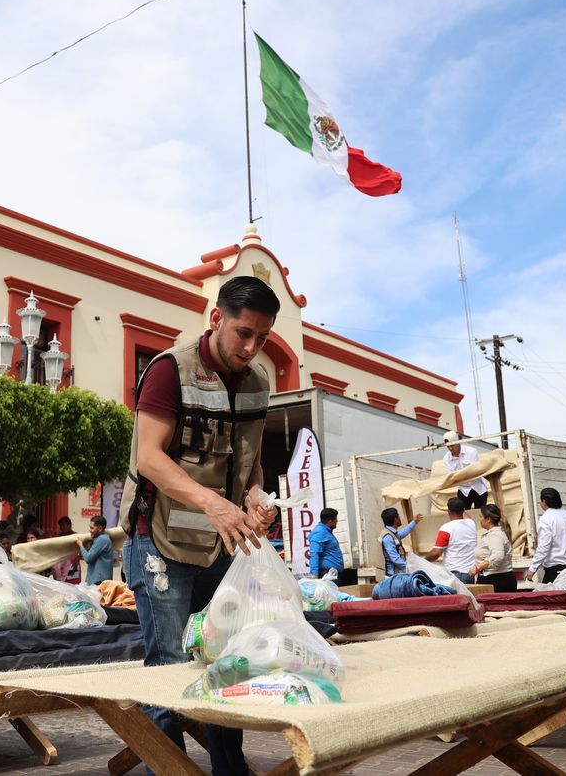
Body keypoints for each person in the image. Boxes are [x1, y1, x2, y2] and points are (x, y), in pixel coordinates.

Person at [117, 275, 280, 775]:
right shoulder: (170, 370)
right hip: (159, 542)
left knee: (227, 662)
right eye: (243, 334)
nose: (251, 348)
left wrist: (254, 497)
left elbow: (248, 458)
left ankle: (230, 769)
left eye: (262, 338)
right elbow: (148, 457)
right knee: (167, 668)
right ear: (216, 320)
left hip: (220, 546)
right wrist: (215, 504)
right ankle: (166, 769)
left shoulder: (257, 384)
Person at [528, 487, 566, 583]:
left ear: (544, 501)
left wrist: (532, 569)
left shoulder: (546, 519)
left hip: (554, 571)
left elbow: (543, 547)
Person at [424, 497, 478, 583]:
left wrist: (424, 560)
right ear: (463, 509)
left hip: (455, 575)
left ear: (449, 512)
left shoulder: (446, 528)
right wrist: (460, 507)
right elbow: (466, 516)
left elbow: (436, 553)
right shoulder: (471, 524)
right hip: (471, 574)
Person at [468, 503, 516, 592]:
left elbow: (498, 556)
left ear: (488, 519)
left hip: (497, 579)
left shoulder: (495, 535)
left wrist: (478, 567)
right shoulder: (494, 534)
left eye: (481, 517)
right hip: (496, 578)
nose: (480, 520)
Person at [443, 430, 488, 509]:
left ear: (458, 442)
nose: (450, 448)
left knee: (481, 513)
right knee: (462, 514)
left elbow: (474, 471)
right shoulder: (446, 459)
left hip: (478, 488)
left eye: (452, 445)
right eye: (448, 446)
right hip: (463, 490)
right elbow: (451, 476)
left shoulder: (471, 452)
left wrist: (459, 476)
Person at [378, 507, 424, 577]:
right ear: (395, 519)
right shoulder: (388, 537)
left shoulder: (391, 533)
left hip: (398, 574)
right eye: (398, 515)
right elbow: (395, 558)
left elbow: (401, 534)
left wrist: (414, 522)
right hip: (394, 576)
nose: (400, 517)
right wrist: (409, 567)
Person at [308, 508, 344, 582]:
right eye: (336, 519)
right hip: (327, 575)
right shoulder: (320, 533)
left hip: (332, 574)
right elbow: (314, 553)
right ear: (330, 521)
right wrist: (314, 574)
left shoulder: (326, 532)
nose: (337, 521)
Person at [77, 515, 115, 585]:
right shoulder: (103, 537)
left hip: (98, 581)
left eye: (92, 528)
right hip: (101, 580)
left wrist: (81, 545)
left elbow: (88, 558)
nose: (90, 530)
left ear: (100, 529)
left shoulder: (101, 539)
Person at [52, 516, 82, 584]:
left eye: (63, 525)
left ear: (69, 525)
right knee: (61, 584)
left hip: (73, 563)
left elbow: (81, 549)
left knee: (73, 584)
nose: (61, 527)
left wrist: (77, 559)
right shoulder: (59, 537)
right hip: (61, 563)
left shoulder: (76, 536)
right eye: (60, 525)